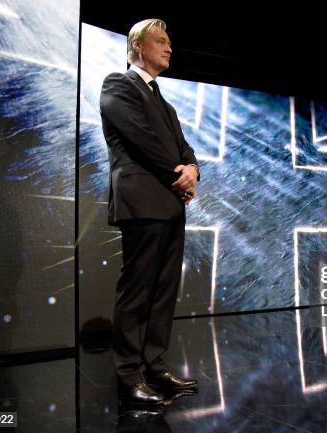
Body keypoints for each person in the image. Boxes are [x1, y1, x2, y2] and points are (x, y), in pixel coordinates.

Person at [99, 18, 199, 405]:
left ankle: (155, 366)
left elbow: (183, 148)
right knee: (138, 290)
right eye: (161, 41)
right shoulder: (117, 85)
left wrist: (192, 170)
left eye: (169, 42)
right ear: (138, 46)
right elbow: (142, 140)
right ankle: (128, 376)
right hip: (142, 202)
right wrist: (179, 174)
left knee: (163, 291)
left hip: (171, 206)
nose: (169, 47)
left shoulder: (167, 104)